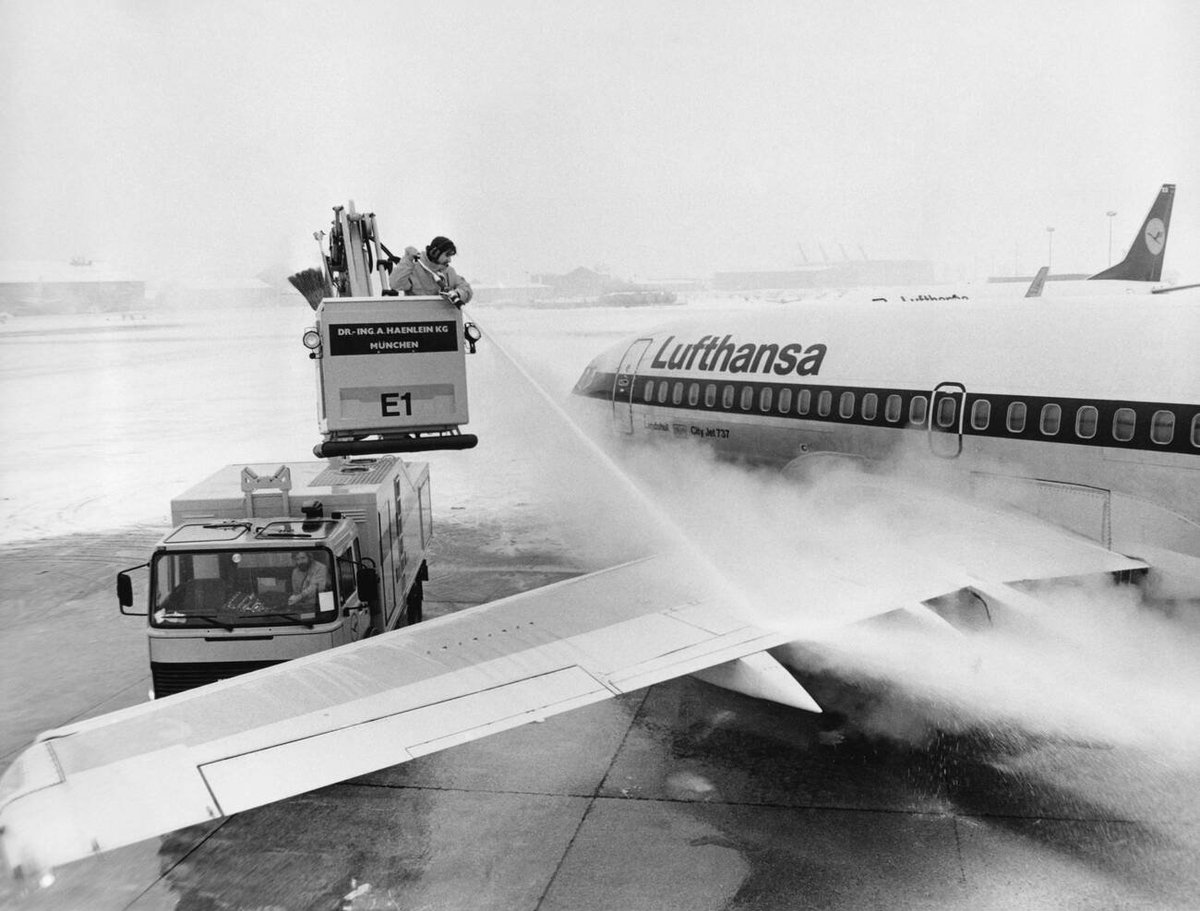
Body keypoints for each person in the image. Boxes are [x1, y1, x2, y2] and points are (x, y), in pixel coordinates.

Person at [389, 235, 473, 307]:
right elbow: (395, 284)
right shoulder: (413, 270)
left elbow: (467, 290)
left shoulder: (449, 272)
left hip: (446, 321)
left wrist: (457, 294)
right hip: (419, 321)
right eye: (447, 255)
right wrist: (407, 260)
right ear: (435, 252)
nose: (449, 260)